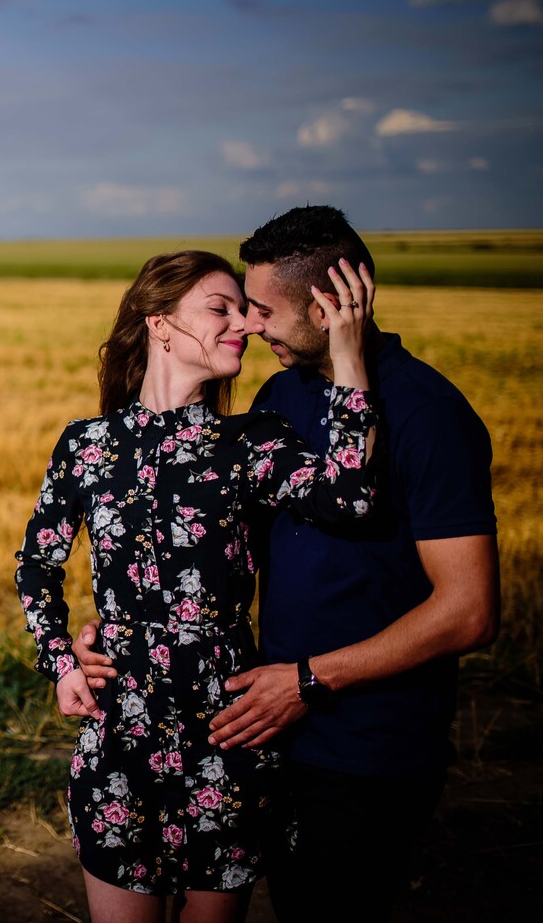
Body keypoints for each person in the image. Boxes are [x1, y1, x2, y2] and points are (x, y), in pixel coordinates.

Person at [73, 206, 500, 921]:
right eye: (236, 309)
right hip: (261, 727)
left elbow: (472, 611)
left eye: (261, 311)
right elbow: (207, 548)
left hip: (365, 750)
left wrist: (307, 681)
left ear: (331, 303)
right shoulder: (280, 396)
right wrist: (117, 630)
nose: (248, 326)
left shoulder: (427, 414)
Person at [15, 248, 378, 922]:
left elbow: (349, 499)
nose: (242, 323)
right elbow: (37, 563)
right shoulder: (87, 445)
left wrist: (348, 356)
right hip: (118, 730)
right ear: (159, 323)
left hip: (226, 733)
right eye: (222, 308)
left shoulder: (253, 441)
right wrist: (62, 658)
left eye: (245, 310)